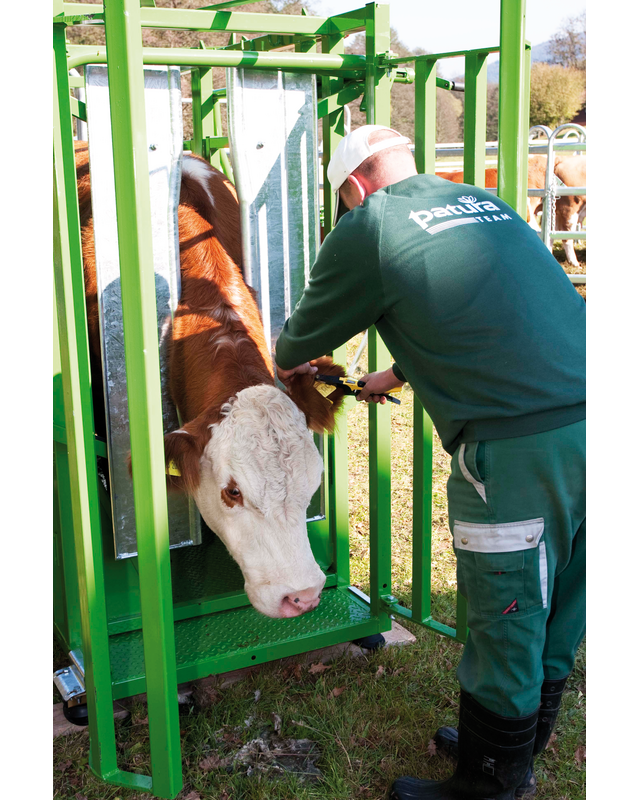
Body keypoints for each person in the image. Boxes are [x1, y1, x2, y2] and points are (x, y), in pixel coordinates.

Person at [275, 125, 586, 800]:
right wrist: (395, 372)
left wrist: (294, 359)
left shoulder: (370, 225)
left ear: (354, 187)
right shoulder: (482, 202)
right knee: (561, 602)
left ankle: (490, 784)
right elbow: (491, 311)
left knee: (508, 614)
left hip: (519, 449)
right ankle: (514, 749)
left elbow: (295, 345)